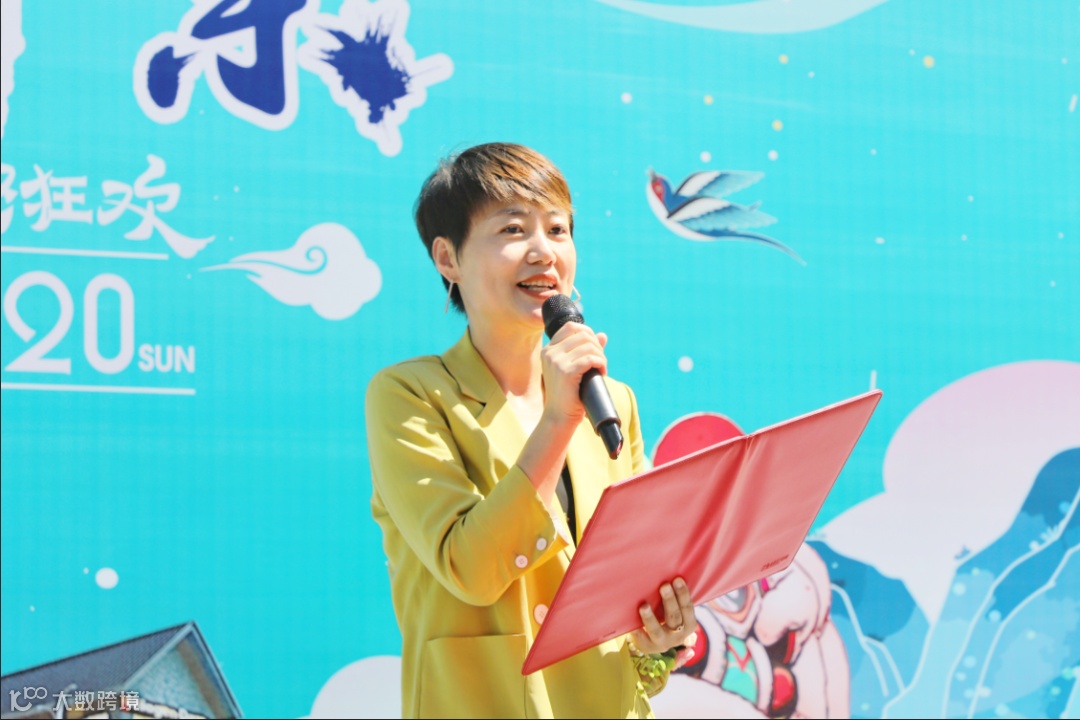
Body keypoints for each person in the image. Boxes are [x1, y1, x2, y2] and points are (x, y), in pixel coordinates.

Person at [366, 142, 697, 718]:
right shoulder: (411, 395)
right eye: (513, 230)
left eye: (558, 229)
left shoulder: (613, 403)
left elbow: (632, 586)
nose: (544, 252)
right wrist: (558, 420)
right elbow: (470, 568)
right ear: (447, 258)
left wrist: (659, 639)